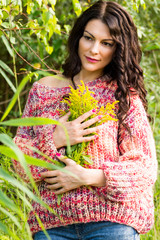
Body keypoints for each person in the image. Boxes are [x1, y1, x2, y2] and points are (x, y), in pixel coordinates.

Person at [13, 1, 157, 239]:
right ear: (77, 38)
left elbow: (145, 168)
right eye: (88, 38)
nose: (94, 50)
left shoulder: (122, 95)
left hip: (111, 222)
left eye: (106, 43)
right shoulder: (42, 90)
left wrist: (86, 177)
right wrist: (57, 137)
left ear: (118, 48)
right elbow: (19, 164)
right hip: (52, 224)